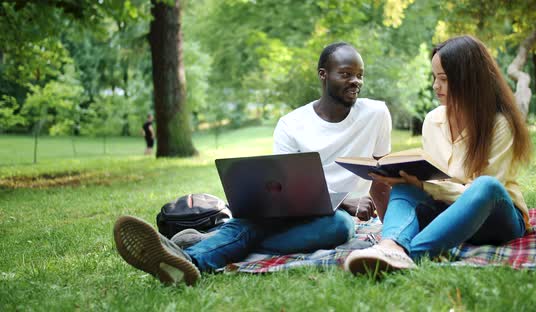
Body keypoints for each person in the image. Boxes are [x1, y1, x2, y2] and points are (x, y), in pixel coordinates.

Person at [113, 42, 393, 285]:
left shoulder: (376, 114)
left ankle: (200, 250)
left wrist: (388, 235)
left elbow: (381, 178)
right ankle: (194, 260)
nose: (355, 81)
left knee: (341, 228)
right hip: (293, 212)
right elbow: (285, 193)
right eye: (345, 74)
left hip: (330, 220)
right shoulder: (292, 125)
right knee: (263, 219)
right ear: (323, 75)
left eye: (359, 75)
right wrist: (345, 201)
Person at [344, 35, 533, 275]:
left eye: (443, 79)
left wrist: (427, 187)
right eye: (435, 78)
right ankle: (389, 246)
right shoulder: (433, 120)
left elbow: (478, 193)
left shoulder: (500, 125)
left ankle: (412, 255)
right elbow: (432, 177)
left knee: (486, 186)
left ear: (469, 80)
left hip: (496, 218)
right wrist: (411, 181)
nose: (435, 86)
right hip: (447, 212)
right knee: (404, 186)